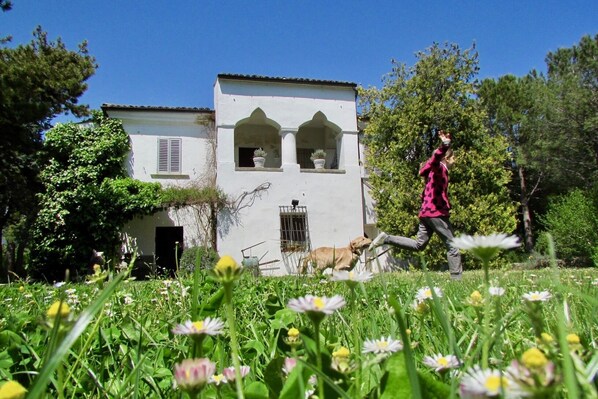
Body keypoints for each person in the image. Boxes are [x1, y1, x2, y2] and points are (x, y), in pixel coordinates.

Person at [369, 130, 462, 280]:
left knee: (419, 245)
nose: (455, 161)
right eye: (453, 158)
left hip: (426, 214)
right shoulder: (439, 169)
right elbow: (435, 160)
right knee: (453, 246)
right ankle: (457, 280)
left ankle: (387, 238)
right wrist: (445, 145)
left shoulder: (433, 173)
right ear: (447, 158)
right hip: (436, 213)